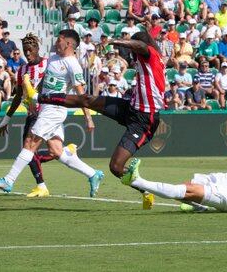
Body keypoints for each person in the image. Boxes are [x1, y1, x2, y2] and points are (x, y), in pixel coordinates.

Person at [25, 31, 165, 209]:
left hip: (145, 119)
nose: (132, 55)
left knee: (115, 167)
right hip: (130, 108)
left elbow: (141, 46)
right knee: (87, 99)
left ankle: (145, 190)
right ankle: (39, 98)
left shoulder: (150, 54)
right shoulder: (152, 56)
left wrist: (116, 41)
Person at [0, 30, 104, 197]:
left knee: (30, 142)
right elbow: (43, 83)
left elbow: (81, 95)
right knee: (57, 151)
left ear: (69, 44)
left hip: (55, 109)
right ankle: (93, 174)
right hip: (46, 108)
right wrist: (34, 96)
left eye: (59, 40)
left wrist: (88, 118)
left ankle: (9, 180)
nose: (56, 42)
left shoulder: (72, 64)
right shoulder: (54, 58)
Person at [0, 33, 76, 198]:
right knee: (49, 151)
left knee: (28, 148)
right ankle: (43, 183)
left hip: (47, 112)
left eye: (30, 50)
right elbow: (18, 96)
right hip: (33, 114)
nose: (28, 54)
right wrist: (6, 119)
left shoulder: (48, 64)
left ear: (37, 49)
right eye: (25, 52)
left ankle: (29, 183)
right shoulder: (22, 69)